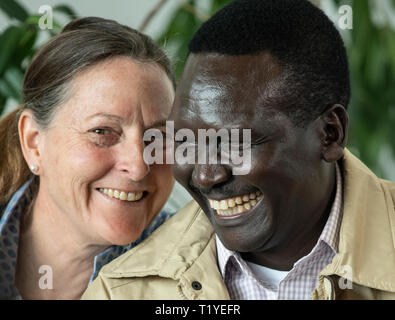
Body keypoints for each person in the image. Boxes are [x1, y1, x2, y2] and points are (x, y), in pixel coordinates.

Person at [82, 0, 395, 300]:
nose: (205, 176)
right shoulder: (122, 292)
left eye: (235, 143)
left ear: (329, 134)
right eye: (186, 141)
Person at [0, 17, 176, 299]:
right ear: (33, 142)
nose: (139, 165)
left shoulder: (209, 271)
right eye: (102, 131)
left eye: (158, 137)